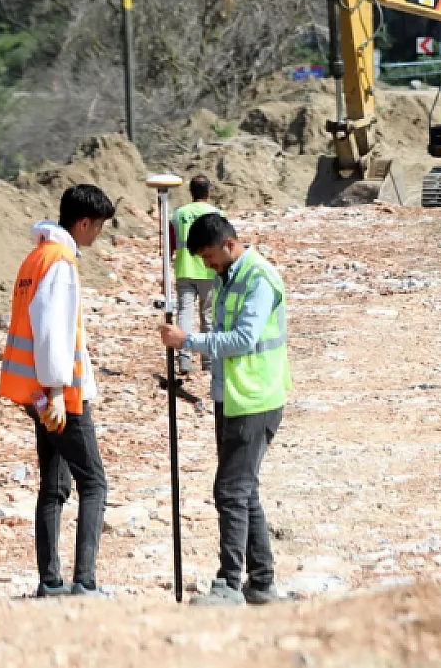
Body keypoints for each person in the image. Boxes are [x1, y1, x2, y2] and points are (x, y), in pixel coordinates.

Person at [159, 213, 290, 606]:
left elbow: (245, 339)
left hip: (256, 398)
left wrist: (188, 341)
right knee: (243, 490)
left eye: (208, 256)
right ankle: (262, 582)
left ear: (229, 244)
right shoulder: (227, 277)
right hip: (233, 396)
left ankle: (229, 584)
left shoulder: (258, 279)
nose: (206, 265)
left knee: (231, 490)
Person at [0, 183, 117, 598]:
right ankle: (85, 581)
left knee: (54, 484)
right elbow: (53, 334)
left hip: (37, 392)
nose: (98, 235)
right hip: (57, 394)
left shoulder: (35, 257)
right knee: (94, 483)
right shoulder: (60, 262)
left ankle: (50, 581)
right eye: (98, 227)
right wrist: (55, 394)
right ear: (83, 223)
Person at [170, 175, 222, 376]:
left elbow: (170, 244)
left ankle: (184, 358)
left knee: (185, 313)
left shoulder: (179, 214)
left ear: (190, 192)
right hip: (209, 270)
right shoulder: (216, 213)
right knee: (208, 315)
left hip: (184, 269)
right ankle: (208, 360)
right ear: (208, 192)